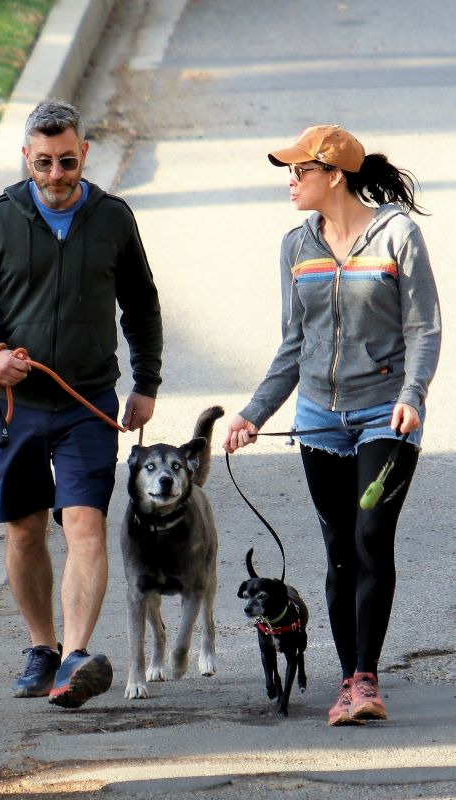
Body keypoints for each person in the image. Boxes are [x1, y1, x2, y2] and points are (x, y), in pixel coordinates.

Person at [0, 100, 163, 709]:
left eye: (67, 161)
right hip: (17, 406)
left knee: (86, 522)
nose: (57, 175)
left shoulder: (113, 219)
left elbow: (142, 307)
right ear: (27, 159)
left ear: (84, 154)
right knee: (23, 528)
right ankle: (41, 646)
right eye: (43, 163)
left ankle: (74, 657)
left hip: (87, 401)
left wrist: (145, 383)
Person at [223, 124, 441, 725]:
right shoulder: (296, 246)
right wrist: (252, 414)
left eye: (300, 172)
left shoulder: (398, 235)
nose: (290, 182)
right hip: (319, 421)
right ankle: (347, 680)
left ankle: (366, 678)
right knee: (339, 549)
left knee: (372, 537)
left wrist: (412, 395)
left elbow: (424, 327)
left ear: (334, 175)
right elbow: (293, 345)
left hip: (386, 417)